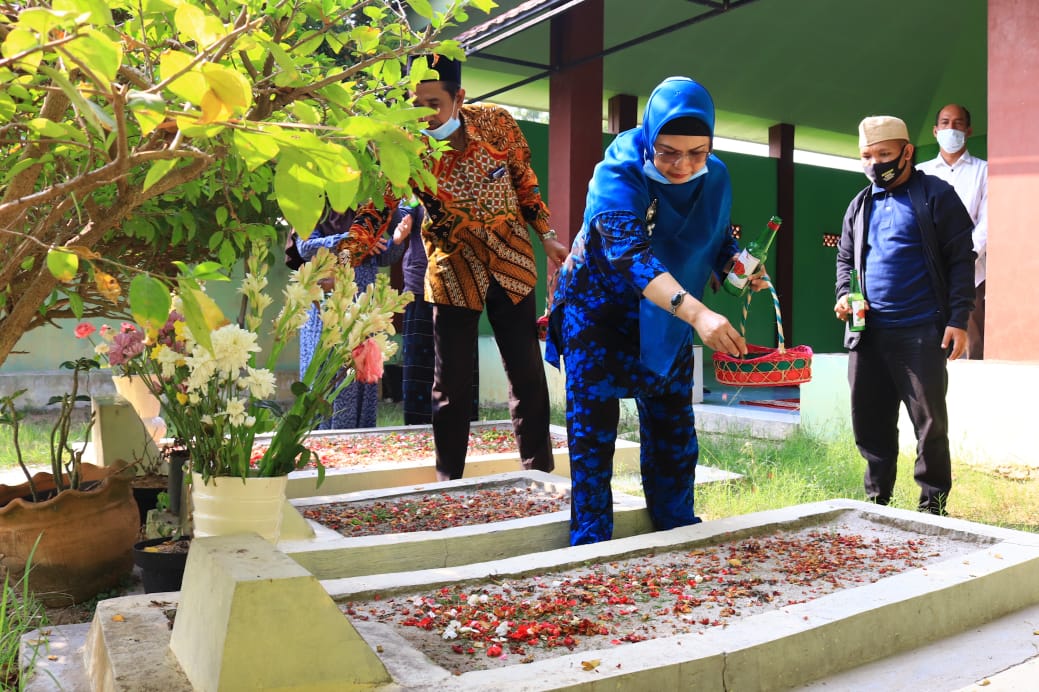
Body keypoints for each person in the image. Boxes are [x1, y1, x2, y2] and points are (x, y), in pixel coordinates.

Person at [545, 76, 752, 546]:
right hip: (599, 315)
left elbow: (716, 237)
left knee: (673, 428)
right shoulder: (618, 171)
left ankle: (675, 524)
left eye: (697, 152)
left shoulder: (714, 177)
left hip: (667, 318)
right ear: (649, 137)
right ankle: (592, 538)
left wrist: (736, 265)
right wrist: (698, 314)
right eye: (669, 151)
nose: (683, 165)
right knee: (593, 432)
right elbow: (630, 256)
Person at [349, 54, 569, 480]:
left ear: (459, 97)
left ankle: (539, 471)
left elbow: (526, 183)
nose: (424, 115)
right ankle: (448, 477)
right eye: (415, 104)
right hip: (452, 270)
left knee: (525, 373)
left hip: (511, 262)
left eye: (433, 103)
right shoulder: (404, 146)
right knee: (449, 384)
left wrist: (546, 234)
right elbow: (376, 205)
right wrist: (349, 250)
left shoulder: (497, 123)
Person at [834, 115, 975, 516]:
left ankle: (933, 507)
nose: (874, 164)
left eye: (883, 154)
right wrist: (845, 295)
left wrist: (958, 318)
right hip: (868, 334)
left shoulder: (936, 195)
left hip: (920, 331)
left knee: (929, 425)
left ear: (907, 152)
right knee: (869, 422)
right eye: (866, 156)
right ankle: (878, 503)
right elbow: (844, 259)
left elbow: (962, 259)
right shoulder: (859, 205)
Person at [297, 208, 410, 429]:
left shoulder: (367, 208)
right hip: (327, 306)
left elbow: (383, 256)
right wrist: (352, 240)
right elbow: (305, 248)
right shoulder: (317, 202)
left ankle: (357, 436)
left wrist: (396, 241)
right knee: (326, 369)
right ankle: (320, 438)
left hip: (361, 303)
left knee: (358, 368)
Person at [392, 200, 480, 426]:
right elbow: (403, 215)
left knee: (460, 365)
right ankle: (419, 431)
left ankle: (463, 429)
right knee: (420, 370)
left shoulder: (465, 182)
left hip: (461, 285)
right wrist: (401, 228)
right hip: (422, 286)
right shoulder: (417, 184)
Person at [916, 104, 988, 359]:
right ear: (935, 131)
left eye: (958, 123)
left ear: (969, 130)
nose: (951, 128)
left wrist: (964, 257)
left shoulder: (985, 171)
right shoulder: (920, 173)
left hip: (972, 271)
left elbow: (987, 222)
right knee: (927, 341)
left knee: (972, 343)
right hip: (926, 272)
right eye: (945, 123)